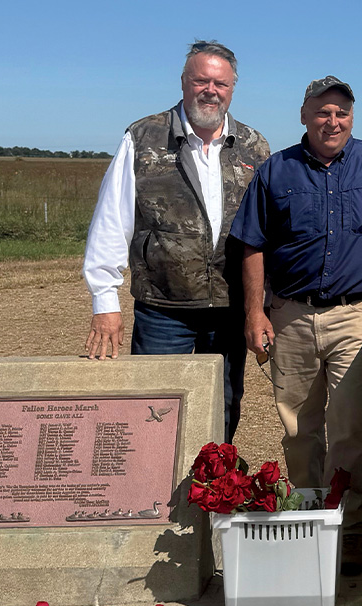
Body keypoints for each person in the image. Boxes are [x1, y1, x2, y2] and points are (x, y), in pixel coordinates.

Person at [231, 76, 362, 529]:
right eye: (323, 111)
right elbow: (251, 244)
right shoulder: (275, 171)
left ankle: (350, 527)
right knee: (300, 430)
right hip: (290, 315)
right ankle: (306, 521)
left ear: (352, 118)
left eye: (342, 112)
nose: (332, 120)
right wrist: (254, 311)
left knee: (350, 429)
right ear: (304, 116)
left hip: (354, 316)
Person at [82, 41, 269, 443]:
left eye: (220, 83)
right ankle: (152, 499)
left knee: (222, 410)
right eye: (201, 80)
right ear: (184, 82)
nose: (210, 90)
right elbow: (112, 221)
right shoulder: (143, 137)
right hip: (162, 309)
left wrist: (266, 303)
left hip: (229, 309)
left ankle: (212, 495)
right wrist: (105, 300)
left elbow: (267, 233)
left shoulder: (255, 147)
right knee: (151, 411)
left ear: (233, 88)